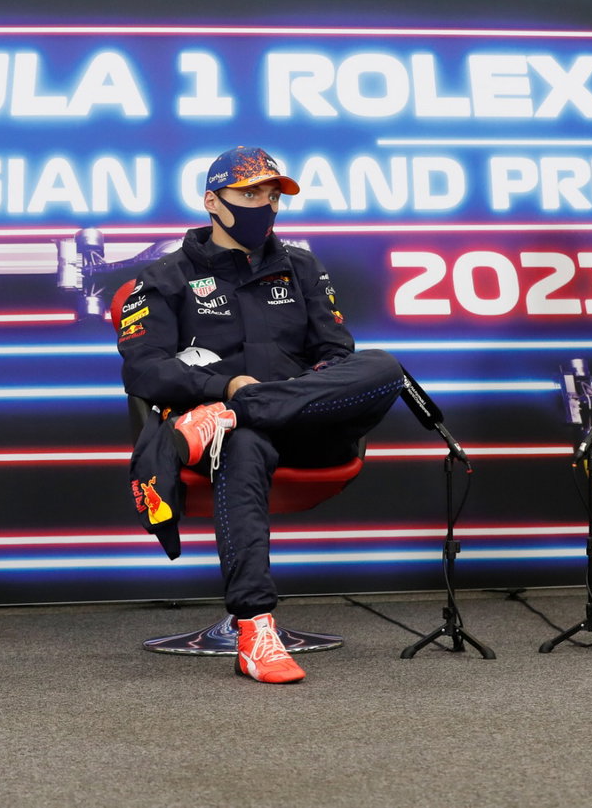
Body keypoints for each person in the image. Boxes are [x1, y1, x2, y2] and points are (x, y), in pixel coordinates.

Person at [117, 146, 404, 683]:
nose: (264, 206)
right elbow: (144, 368)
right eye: (250, 194)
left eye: (272, 197)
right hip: (226, 442)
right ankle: (255, 628)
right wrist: (222, 384)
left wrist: (244, 403)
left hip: (306, 427)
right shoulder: (164, 278)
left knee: (385, 367)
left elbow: (338, 355)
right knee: (244, 445)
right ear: (212, 201)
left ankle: (233, 415)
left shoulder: (302, 267)